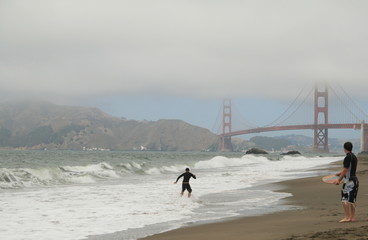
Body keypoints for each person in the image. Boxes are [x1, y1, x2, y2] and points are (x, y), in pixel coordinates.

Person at [333, 141, 359, 223]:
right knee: (352, 200)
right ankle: (352, 217)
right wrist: (339, 173)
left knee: (345, 199)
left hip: (349, 181)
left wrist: (339, 180)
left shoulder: (347, 157)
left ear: (344, 149)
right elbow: (350, 169)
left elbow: (346, 169)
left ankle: (347, 217)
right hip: (355, 180)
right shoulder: (354, 157)